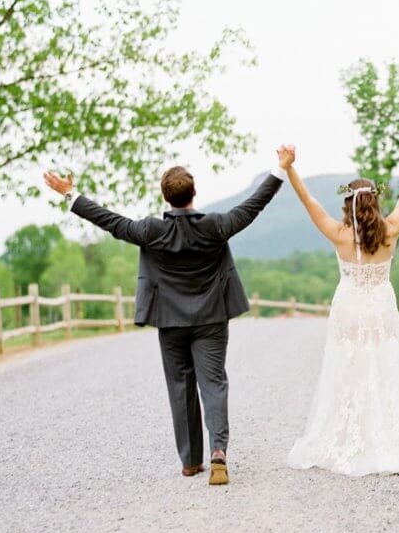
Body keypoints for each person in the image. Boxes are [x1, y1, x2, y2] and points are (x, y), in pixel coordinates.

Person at [41, 148, 293, 485]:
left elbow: (109, 220)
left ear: (166, 197)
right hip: (211, 320)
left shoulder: (150, 231)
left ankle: (191, 462)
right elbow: (253, 206)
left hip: (170, 323)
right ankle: (218, 451)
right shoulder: (216, 226)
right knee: (213, 383)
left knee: (180, 386)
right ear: (194, 194)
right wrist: (280, 168)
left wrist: (69, 194)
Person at [281, 130, 399, 476]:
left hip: (348, 305)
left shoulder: (339, 234)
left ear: (348, 205)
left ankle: (352, 436)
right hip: (380, 305)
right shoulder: (391, 230)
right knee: (385, 363)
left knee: (348, 366)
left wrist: (289, 169)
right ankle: (386, 431)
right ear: (375, 203)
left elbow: (308, 202)